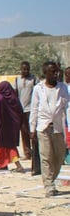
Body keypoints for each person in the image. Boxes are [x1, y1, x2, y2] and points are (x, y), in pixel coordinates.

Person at [29, 61, 69, 196]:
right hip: (43, 127)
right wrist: (32, 128)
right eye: (52, 71)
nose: (55, 74)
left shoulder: (62, 88)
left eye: (56, 71)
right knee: (46, 157)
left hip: (58, 128)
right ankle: (49, 186)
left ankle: (52, 178)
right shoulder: (38, 88)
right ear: (45, 73)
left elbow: (67, 108)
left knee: (59, 157)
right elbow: (34, 109)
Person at [0, 81, 25, 172]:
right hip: (12, 127)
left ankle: (17, 165)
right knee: (9, 145)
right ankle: (3, 164)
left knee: (4, 146)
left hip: (2, 127)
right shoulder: (14, 98)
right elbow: (20, 112)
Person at [14, 62, 37, 161]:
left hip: (31, 109)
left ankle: (36, 152)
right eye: (24, 69)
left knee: (33, 131)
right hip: (21, 110)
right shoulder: (17, 80)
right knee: (24, 132)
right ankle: (27, 153)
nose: (26, 71)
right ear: (21, 69)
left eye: (28, 69)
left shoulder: (34, 79)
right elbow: (15, 94)